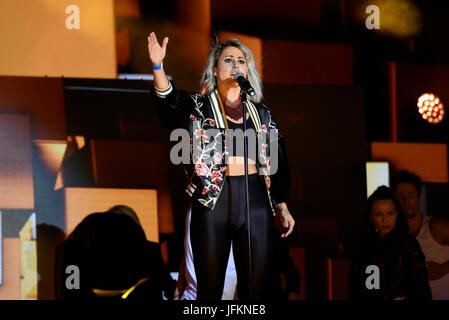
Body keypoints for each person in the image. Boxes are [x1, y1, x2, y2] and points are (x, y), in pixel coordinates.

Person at [148, 32, 295, 300]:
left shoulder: (261, 114)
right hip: (214, 200)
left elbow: (276, 163)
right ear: (215, 70)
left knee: (255, 291)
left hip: (255, 200)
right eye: (228, 60)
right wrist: (158, 67)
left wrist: (282, 206)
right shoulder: (199, 107)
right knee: (210, 289)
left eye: (241, 60)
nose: (236, 65)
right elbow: (168, 102)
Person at [348, 186, 432, 300]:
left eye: (389, 213)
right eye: (379, 214)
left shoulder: (407, 244)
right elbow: (355, 288)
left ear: (396, 214)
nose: (385, 220)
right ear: (371, 217)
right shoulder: (364, 246)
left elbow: (421, 288)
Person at [392, 170, 449, 300]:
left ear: (419, 198)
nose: (406, 201)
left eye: (411, 195)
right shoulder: (393, 237)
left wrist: (443, 268)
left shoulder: (436, 227)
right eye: (401, 196)